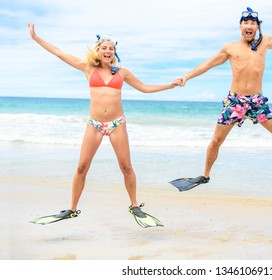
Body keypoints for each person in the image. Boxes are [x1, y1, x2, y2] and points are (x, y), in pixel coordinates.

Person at [28, 22, 179, 227]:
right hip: (95, 124)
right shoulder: (88, 68)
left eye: (111, 48)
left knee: (126, 166)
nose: (108, 51)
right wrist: (36, 38)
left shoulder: (122, 73)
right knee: (81, 167)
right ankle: (71, 209)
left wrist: (170, 85)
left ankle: (134, 205)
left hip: (117, 124)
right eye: (104, 48)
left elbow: (144, 88)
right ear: (97, 51)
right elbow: (59, 53)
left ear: (115, 52)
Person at [171, 7, 272, 191]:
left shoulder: (265, 42)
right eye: (246, 23)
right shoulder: (230, 48)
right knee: (216, 141)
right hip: (235, 102)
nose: (249, 26)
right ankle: (204, 175)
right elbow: (208, 64)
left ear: (257, 27)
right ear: (240, 26)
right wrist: (186, 77)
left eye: (253, 23)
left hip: (257, 102)